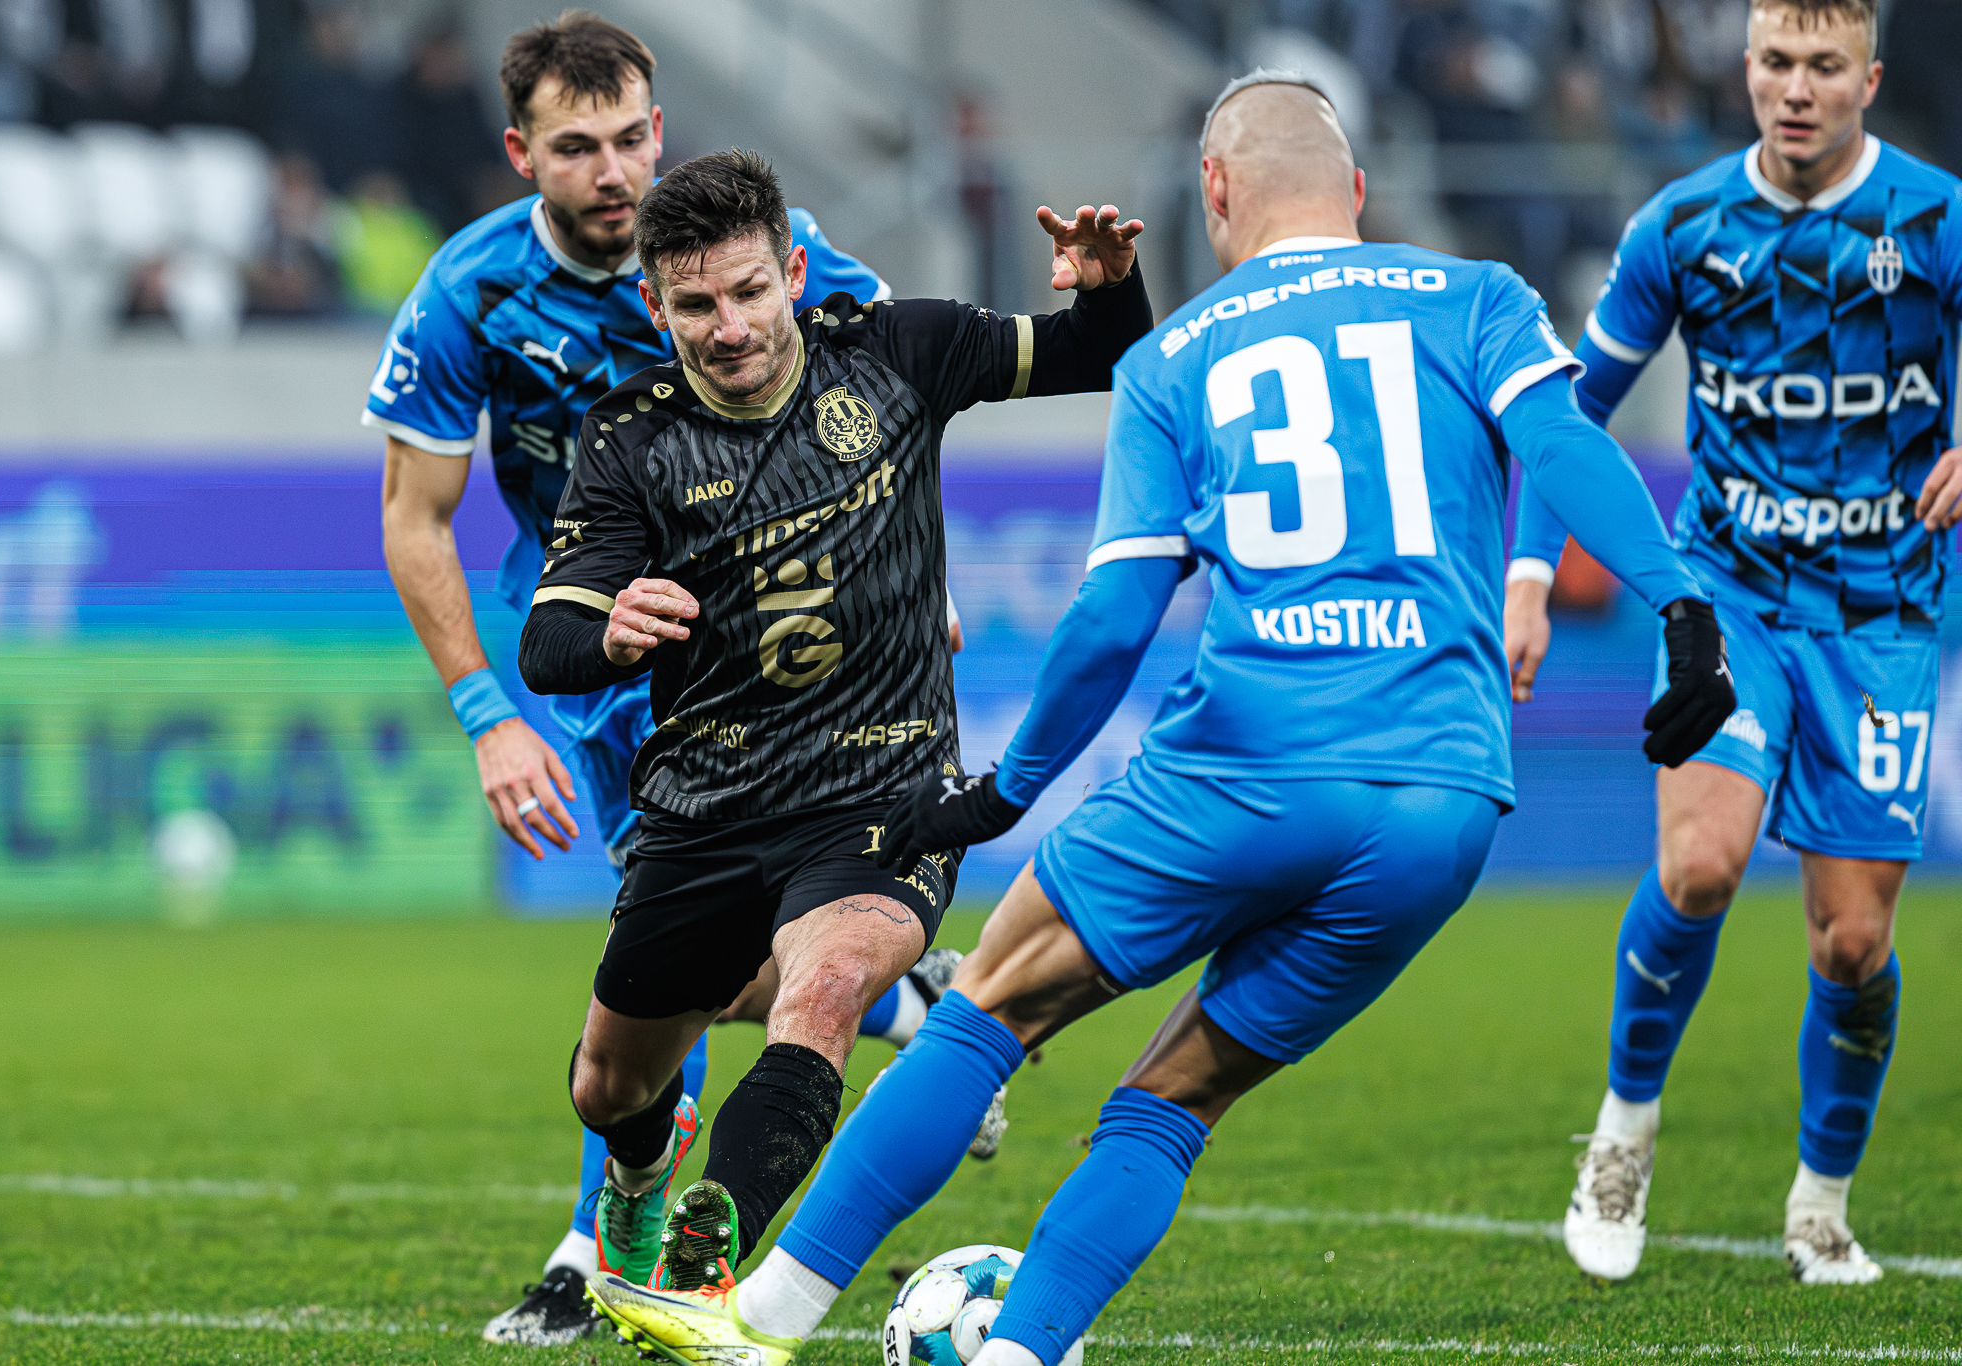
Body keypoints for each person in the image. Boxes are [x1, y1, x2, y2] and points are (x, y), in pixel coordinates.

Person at [584, 74, 1735, 1366]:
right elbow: (1566, 445)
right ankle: (1017, 1353)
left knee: (987, 1008)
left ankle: (759, 1315)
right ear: (1357, 191)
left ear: (1215, 193)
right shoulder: (1476, 298)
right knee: (1176, 1098)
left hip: (1246, 764)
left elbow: (1115, 613)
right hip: (1446, 799)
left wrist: (1005, 790)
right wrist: (1680, 604)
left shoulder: (1180, 355)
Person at [362, 11, 958, 1347]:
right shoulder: (469, 294)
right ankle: (903, 997)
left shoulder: (762, 255)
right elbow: (414, 517)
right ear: (520, 155)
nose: (615, 170)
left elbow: (892, 401)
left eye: (632, 136)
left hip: (782, 661)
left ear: (661, 129)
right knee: (682, 964)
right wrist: (486, 715)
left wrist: (919, 575)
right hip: (613, 666)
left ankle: (596, 1255)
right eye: (577, 147)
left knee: (668, 957)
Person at [517, 148, 1152, 1307]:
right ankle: (643, 1169)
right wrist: (606, 629)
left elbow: (1095, 352)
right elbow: (546, 641)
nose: (728, 328)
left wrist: (1109, 289)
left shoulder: (898, 349)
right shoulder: (630, 438)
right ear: (653, 306)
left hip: (882, 792)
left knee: (823, 989)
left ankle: (704, 1263)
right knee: (607, 1086)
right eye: (695, 305)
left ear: (794, 274)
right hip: (706, 807)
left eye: (749, 291)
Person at [1506, 0, 1962, 1286]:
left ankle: (1819, 1203)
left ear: (1867, 77)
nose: (1794, 88)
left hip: (1879, 614)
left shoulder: (1934, 217)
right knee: (1699, 864)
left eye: (1822, 65)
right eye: (1773, 62)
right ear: (1744, 67)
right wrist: (1528, 576)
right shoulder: (1682, 224)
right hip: (1729, 595)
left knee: (1850, 944)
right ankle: (1621, 1130)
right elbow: (1566, 414)